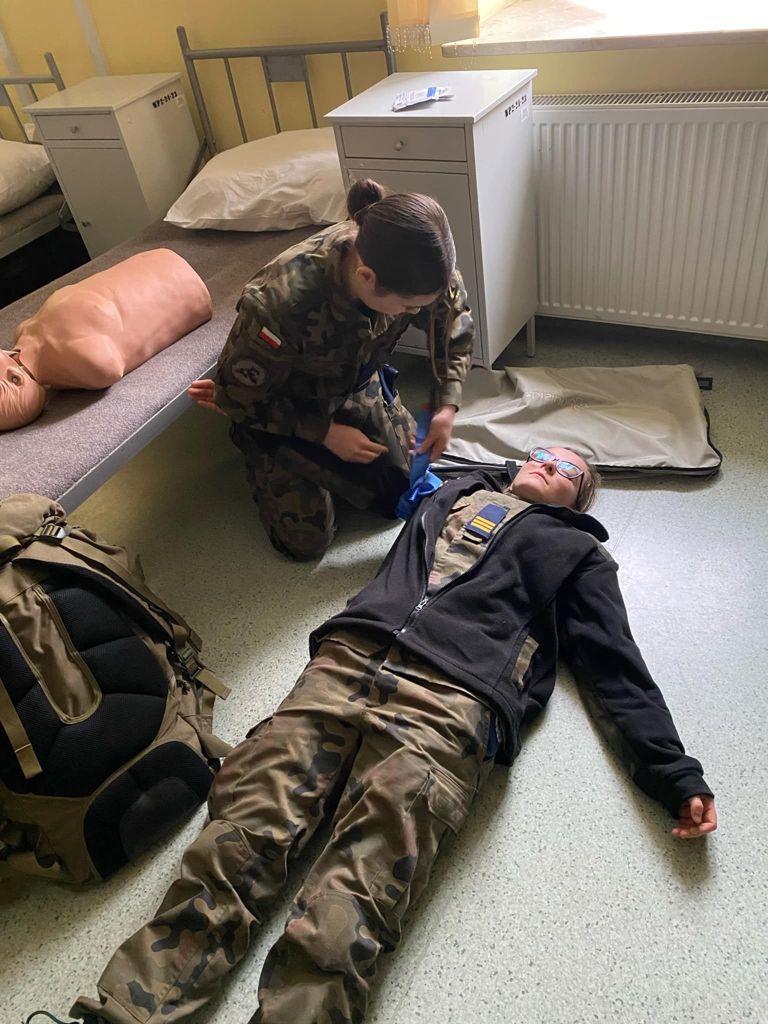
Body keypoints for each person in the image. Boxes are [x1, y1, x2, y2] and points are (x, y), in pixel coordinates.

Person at [47, 445, 715, 1024]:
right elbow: (388, 466)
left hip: (448, 703)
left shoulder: (579, 554)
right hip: (343, 663)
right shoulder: (456, 489)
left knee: (357, 896)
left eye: (567, 469)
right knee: (236, 839)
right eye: (541, 453)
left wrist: (672, 772)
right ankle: (125, 1011)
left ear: (581, 499)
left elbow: (614, 666)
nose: (547, 464)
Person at [188, 178, 474, 561]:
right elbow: (238, 397)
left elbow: (452, 321)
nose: (414, 314)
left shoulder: (423, 262)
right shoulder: (280, 304)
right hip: (288, 404)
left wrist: (446, 406)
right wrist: (323, 433)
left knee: (405, 486)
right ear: (366, 277)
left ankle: (350, 436)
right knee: (306, 543)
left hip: (352, 382)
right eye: (408, 308)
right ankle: (269, 454)